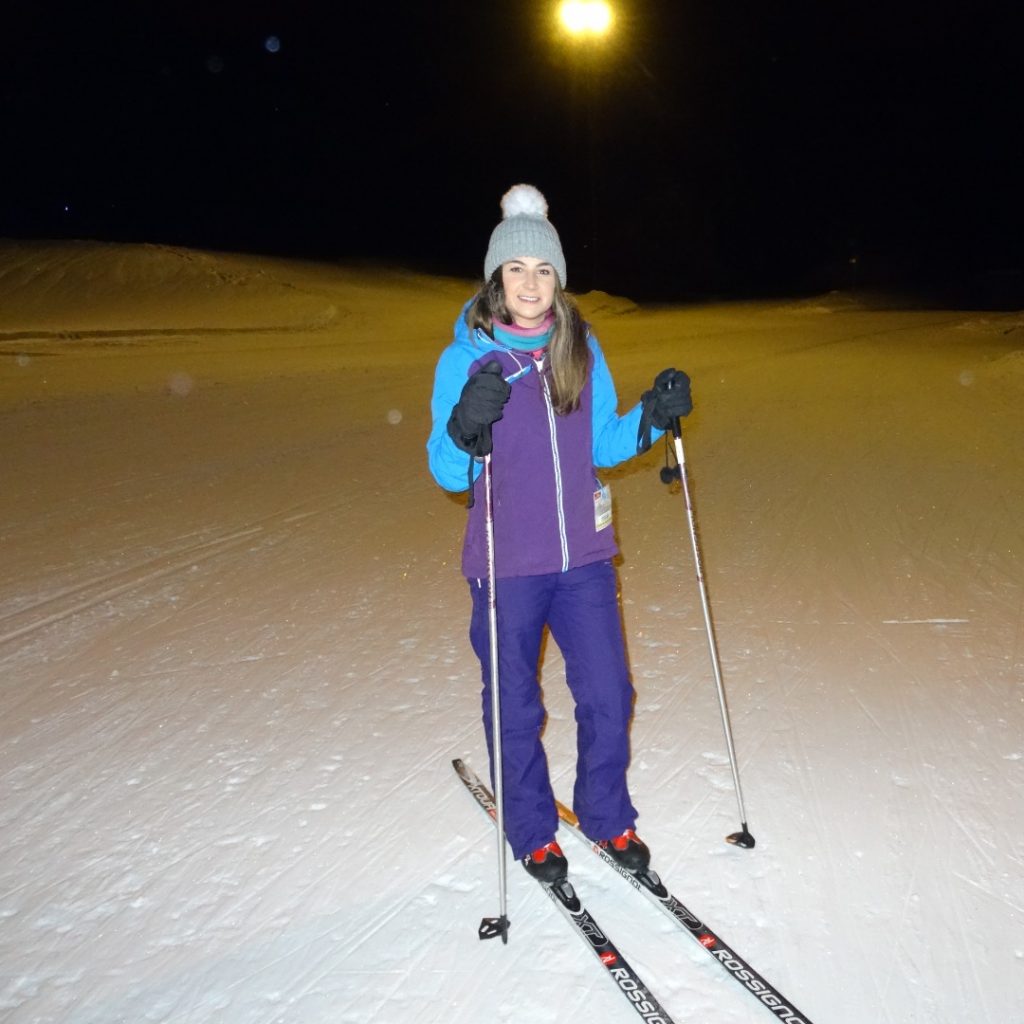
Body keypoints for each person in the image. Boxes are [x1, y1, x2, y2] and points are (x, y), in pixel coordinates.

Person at [427, 184, 692, 883]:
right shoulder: (466, 361)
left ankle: (606, 816)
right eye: (517, 269)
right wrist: (463, 424)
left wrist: (653, 417)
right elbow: (447, 470)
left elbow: (602, 443)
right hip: (506, 564)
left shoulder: (580, 348)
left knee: (609, 693)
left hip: (584, 560)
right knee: (515, 704)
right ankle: (531, 830)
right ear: (496, 277)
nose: (531, 284)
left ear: (558, 279)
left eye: (544, 271)